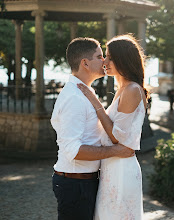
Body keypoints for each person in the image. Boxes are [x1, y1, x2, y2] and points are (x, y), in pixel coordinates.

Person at [51, 37, 134, 220]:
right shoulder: (74, 98)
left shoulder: (85, 93)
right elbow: (74, 150)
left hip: (85, 182)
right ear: (85, 63)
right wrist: (115, 151)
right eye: (100, 56)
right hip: (75, 184)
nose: (104, 61)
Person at [77, 34, 147, 220]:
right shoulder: (124, 89)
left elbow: (117, 137)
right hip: (112, 164)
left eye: (109, 57)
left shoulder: (132, 90)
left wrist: (95, 102)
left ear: (123, 60)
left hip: (122, 167)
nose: (104, 61)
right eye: (104, 56)